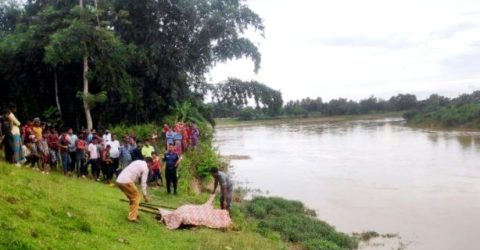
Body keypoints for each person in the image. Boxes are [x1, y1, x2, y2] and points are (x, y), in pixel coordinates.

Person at [116, 158, 152, 222]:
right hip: (126, 181)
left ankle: (134, 213)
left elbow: (132, 172)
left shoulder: (138, 161)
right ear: (149, 163)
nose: (150, 167)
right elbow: (143, 183)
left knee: (132, 198)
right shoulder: (146, 168)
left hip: (119, 180)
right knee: (136, 197)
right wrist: (145, 195)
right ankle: (132, 217)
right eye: (150, 165)